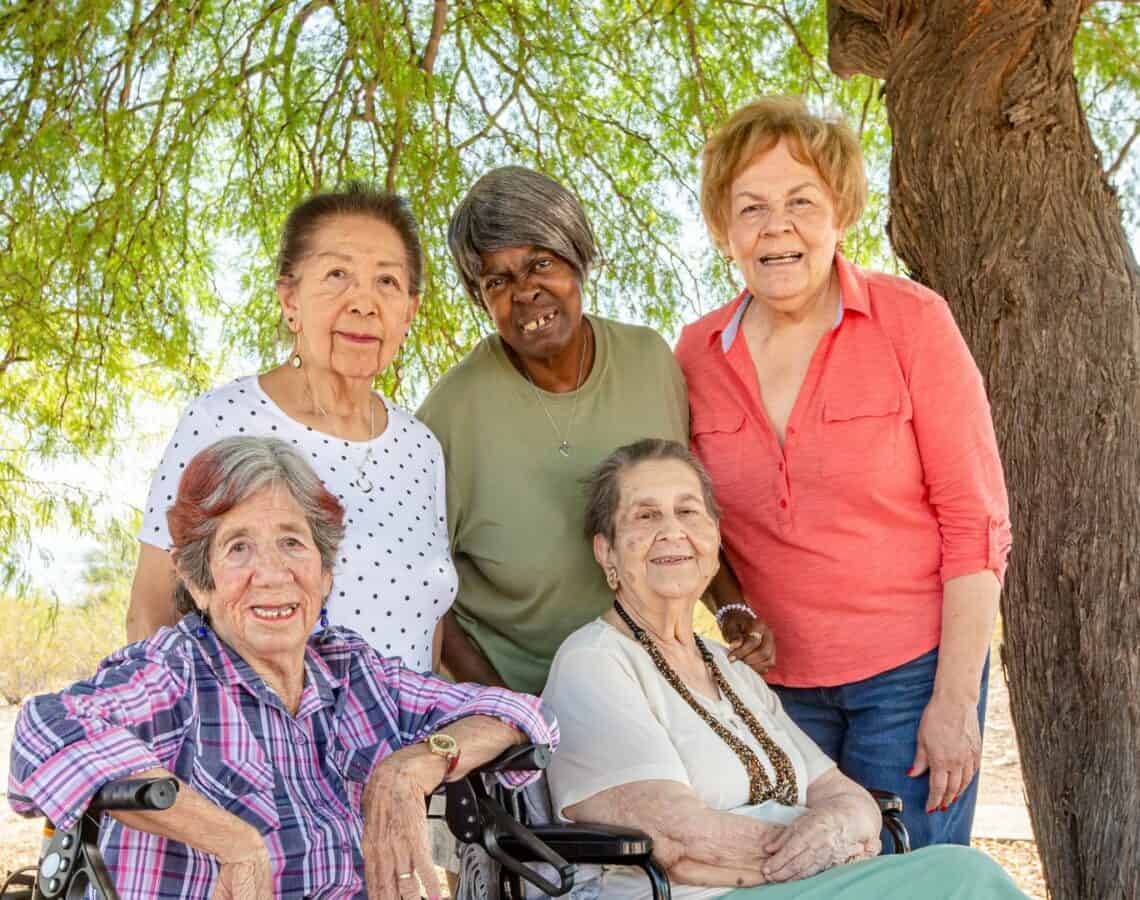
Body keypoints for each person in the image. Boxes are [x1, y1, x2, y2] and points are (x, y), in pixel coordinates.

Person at [673, 96, 1013, 849]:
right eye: (751, 207)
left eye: (801, 202)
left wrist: (954, 702)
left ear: (841, 214)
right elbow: (691, 519)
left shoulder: (913, 322)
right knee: (802, 880)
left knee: (905, 883)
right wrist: (729, 613)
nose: (777, 227)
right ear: (725, 231)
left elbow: (975, 522)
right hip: (776, 695)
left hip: (912, 679)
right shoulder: (695, 354)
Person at [9, 437, 556, 900]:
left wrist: (409, 770)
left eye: (292, 543)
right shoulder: (178, 672)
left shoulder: (352, 671)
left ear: (325, 574)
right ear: (200, 582)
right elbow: (44, 731)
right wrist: (234, 843)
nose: (272, 575)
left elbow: (516, 712)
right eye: (239, 548)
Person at [542, 439, 1026, 899]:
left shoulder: (731, 669)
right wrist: (828, 848)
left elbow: (845, 796)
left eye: (688, 511)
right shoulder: (595, 663)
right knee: (961, 877)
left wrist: (837, 828)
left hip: (799, 885)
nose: (672, 531)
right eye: (646, 516)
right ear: (605, 551)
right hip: (707, 895)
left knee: (957, 877)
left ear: (713, 539)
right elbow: (677, 839)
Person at [417, 164, 752, 696]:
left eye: (541, 264)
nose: (525, 293)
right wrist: (503, 708)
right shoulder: (450, 413)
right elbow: (424, 585)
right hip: (524, 693)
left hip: (654, 684)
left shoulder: (649, 362)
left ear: (578, 257)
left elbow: (689, 509)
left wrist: (732, 609)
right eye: (497, 281)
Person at [128, 185, 456, 673]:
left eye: (387, 282)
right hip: (258, 745)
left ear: (408, 312)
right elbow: (150, 615)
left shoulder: (420, 448)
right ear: (290, 299)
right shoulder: (223, 420)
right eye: (337, 275)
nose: (364, 303)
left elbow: (427, 623)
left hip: (406, 742)